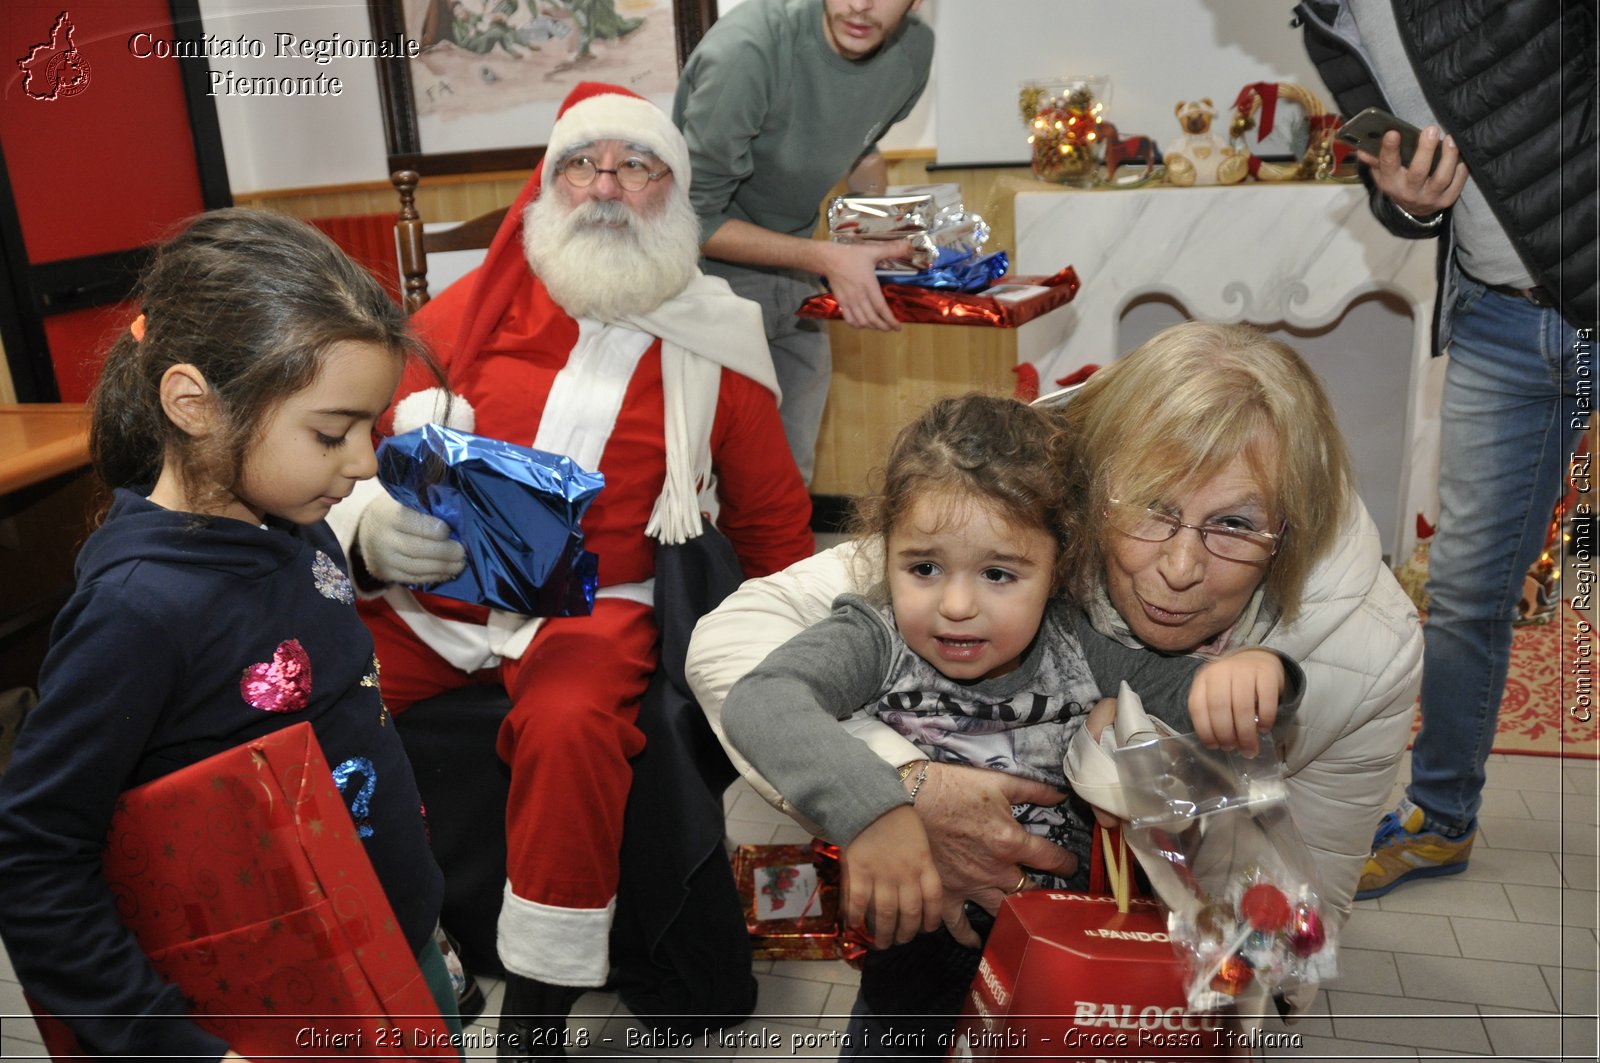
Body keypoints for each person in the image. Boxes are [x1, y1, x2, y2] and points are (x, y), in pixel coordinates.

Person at [689, 321, 1424, 1026]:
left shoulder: (1363, 645)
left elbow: (1290, 908)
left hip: (1083, 964)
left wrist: (1251, 684)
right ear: (1085, 509)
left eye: (1234, 524)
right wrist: (890, 798)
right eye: (1151, 508)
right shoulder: (976, 524)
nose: (1178, 568)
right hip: (912, 971)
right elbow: (749, 671)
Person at [326, 81, 814, 1057]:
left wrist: (804, 668)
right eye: (582, 164)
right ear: (547, 187)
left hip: (593, 606)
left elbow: (772, 525)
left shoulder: (714, 340)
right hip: (434, 602)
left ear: (672, 193)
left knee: (569, 723)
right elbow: (348, 458)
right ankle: (366, 945)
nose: (605, 187)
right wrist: (370, 532)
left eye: (635, 167)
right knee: (320, 696)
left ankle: (537, 1012)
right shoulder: (460, 316)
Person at [0, 209, 457, 1060]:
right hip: (266, 1011)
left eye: (368, 426)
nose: (362, 462)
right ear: (194, 403)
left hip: (395, 944)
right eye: (331, 432)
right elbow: (33, 859)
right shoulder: (135, 613)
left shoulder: (295, 524)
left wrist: (422, 925)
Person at [718, 394, 1299, 1053]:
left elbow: (1204, 702)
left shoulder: (1079, 644)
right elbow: (761, 700)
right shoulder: (874, 637)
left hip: (1055, 978)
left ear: (1059, 568)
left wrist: (1260, 676)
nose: (957, 605)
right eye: (924, 567)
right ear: (887, 553)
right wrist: (876, 810)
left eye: (999, 573)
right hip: (906, 988)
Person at [1297, 0, 1596, 897]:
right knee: (1467, 590)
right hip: (1500, 318)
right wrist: (1406, 202)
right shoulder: (1326, 22)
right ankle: (1442, 818)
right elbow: (1398, 195)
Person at [671, 0, 935, 483]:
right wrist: (826, 257)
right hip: (702, 286)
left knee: (788, 486)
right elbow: (691, 219)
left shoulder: (914, 51)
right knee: (703, 487)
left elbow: (859, 146)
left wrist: (874, 235)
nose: (860, 4)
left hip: (798, 276)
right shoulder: (746, 51)